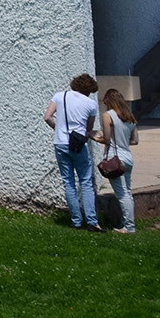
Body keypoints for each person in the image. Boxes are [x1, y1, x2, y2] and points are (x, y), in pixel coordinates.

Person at [44, 73, 102, 230]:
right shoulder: (91, 104)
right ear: (89, 90)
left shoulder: (59, 96)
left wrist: (58, 129)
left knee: (68, 182)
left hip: (60, 142)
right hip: (77, 144)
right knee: (85, 181)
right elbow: (88, 128)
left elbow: (48, 117)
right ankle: (92, 221)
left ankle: (76, 221)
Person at [97, 86, 138, 233]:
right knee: (127, 192)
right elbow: (134, 141)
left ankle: (129, 227)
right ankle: (125, 223)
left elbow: (107, 139)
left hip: (115, 158)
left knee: (121, 194)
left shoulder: (108, 116)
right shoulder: (130, 117)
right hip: (127, 156)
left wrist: (95, 137)